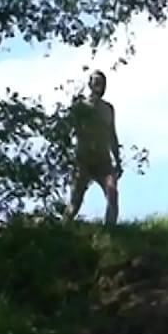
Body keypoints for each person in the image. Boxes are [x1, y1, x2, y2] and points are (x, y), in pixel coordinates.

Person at [65, 69, 137, 224]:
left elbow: (112, 135)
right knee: (75, 202)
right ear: (89, 84)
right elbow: (68, 130)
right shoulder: (80, 107)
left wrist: (117, 160)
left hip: (103, 160)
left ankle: (110, 232)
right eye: (96, 81)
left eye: (102, 83)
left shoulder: (108, 109)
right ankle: (63, 228)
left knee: (112, 193)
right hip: (83, 159)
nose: (99, 85)